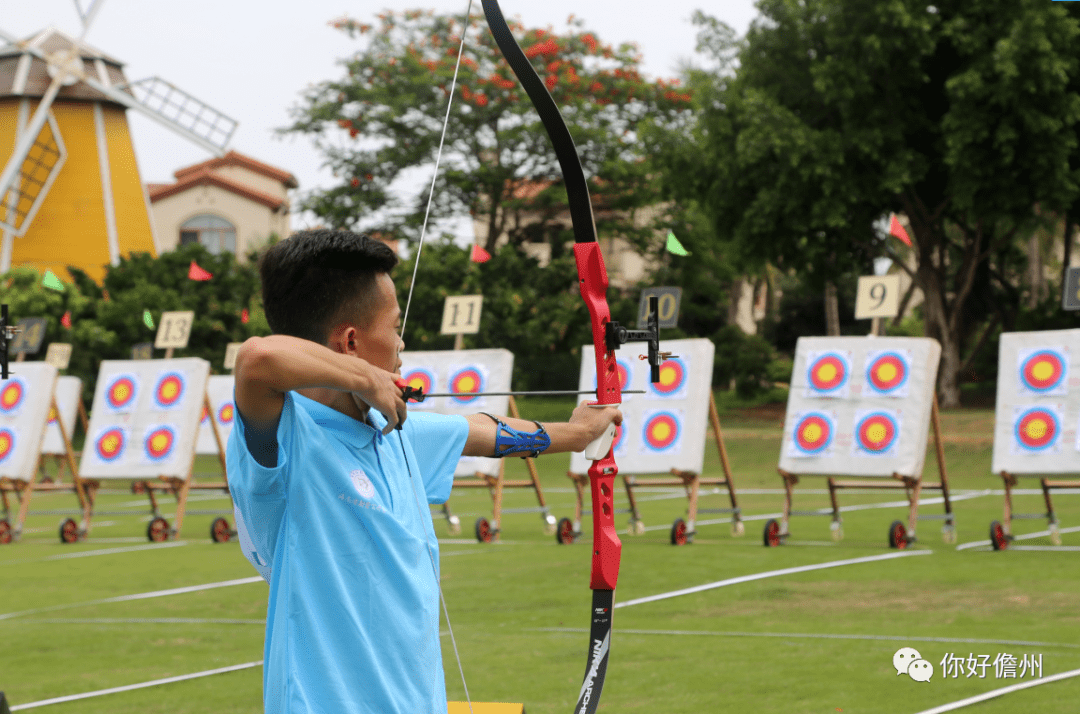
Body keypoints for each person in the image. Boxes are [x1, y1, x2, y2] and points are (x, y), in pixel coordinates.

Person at [226, 229, 621, 714]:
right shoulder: (286, 439)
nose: (401, 342)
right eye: (394, 328)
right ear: (351, 341)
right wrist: (367, 377)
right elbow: (257, 359)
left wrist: (579, 436)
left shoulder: (395, 432)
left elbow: (485, 431)